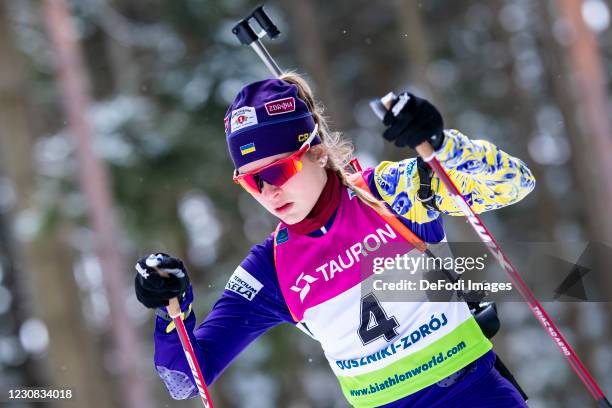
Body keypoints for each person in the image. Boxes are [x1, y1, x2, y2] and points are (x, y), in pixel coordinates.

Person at [134, 73, 536, 407]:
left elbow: (516, 183)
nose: (268, 193)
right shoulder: (272, 268)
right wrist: (171, 307)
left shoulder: (390, 195)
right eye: (251, 182)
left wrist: (443, 146)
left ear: (318, 153)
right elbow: (185, 379)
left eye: (277, 172)